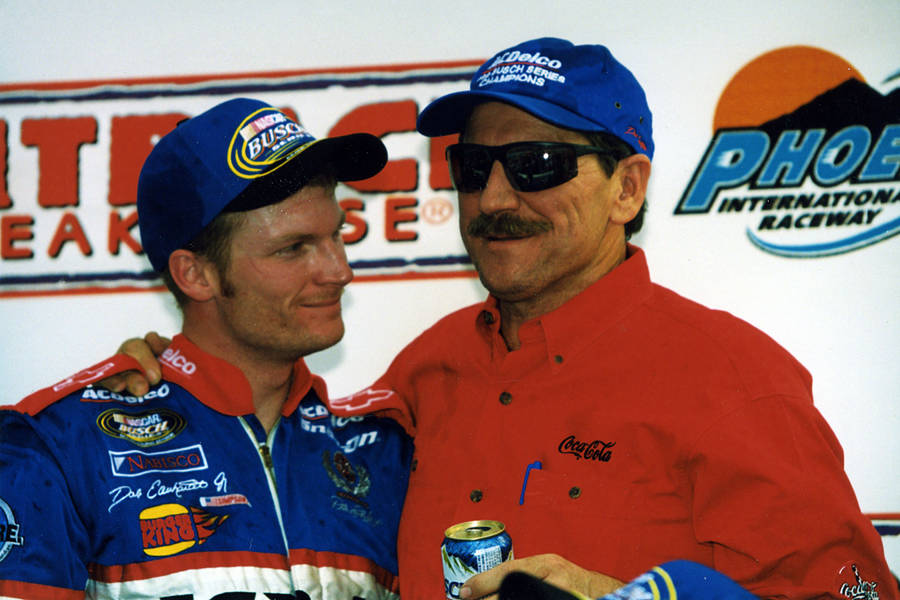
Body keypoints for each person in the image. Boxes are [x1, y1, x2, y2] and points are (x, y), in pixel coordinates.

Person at [91, 39, 897, 600]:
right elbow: (283, 437)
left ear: (627, 188)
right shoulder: (428, 368)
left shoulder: (732, 379)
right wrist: (175, 374)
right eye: (473, 167)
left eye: (538, 165)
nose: (495, 198)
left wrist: (629, 598)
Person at [0, 98, 412, 599]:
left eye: (337, 235)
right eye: (293, 248)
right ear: (194, 275)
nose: (339, 271)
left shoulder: (386, 451)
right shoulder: (59, 446)